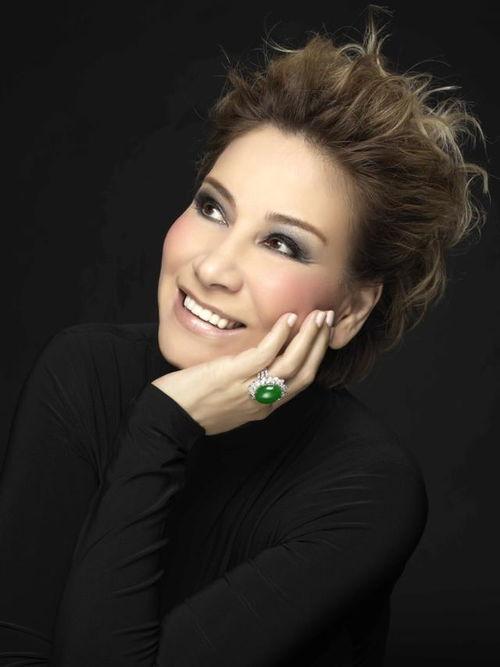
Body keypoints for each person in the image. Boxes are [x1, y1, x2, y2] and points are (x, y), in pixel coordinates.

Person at [0, 7, 489, 666]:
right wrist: (166, 420)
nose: (212, 267)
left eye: (281, 243)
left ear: (350, 310)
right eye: (212, 207)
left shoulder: (367, 488)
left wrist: (164, 423)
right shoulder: (82, 374)